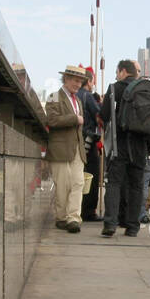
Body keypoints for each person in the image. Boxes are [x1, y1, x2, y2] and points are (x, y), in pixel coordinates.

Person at [98, 60, 150, 238]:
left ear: (122, 71)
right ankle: (132, 227)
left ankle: (110, 224)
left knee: (114, 183)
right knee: (136, 185)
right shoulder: (146, 89)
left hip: (119, 143)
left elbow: (105, 114)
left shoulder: (115, 88)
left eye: (117, 72)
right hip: (140, 145)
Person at [42, 65, 89, 232]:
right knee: (62, 185)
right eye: (76, 80)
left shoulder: (78, 101)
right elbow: (52, 120)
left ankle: (73, 218)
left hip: (77, 149)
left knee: (78, 182)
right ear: (66, 79)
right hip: (60, 149)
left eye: (81, 81)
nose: (78, 84)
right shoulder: (54, 97)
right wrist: (75, 118)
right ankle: (61, 217)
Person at [79, 68, 103, 221]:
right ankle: (89, 211)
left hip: (77, 141)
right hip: (89, 141)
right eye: (93, 81)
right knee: (92, 176)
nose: (94, 84)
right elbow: (99, 116)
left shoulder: (75, 96)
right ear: (89, 81)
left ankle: (78, 208)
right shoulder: (88, 96)